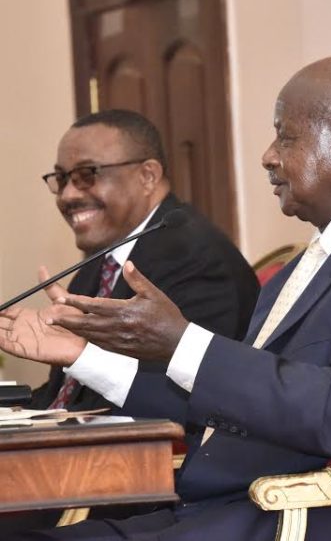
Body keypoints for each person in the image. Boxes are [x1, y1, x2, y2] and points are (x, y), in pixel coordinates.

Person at [0, 53, 331, 541]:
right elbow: (236, 402)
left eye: (286, 136)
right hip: (246, 508)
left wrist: (182, 342)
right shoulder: (311, 263)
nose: (268, 156)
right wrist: (82, 356)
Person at [30, 109, 261, 412]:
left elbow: (179, 404)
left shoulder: (198, 261)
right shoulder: (101, 263)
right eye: (61, 178)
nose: (67, 195)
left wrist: (80, 354)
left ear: (148, 176)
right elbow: (67, 397)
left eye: (87, 175)